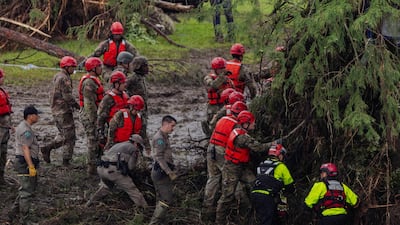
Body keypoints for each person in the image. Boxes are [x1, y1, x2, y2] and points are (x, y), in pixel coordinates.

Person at [215, 110, 279, 225]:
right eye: (253, 123)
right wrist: (274, 143)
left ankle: (247, 220)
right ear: (245, 124)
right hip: (232, 169)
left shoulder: (240, 132)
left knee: (255, 184)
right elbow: (259, 148)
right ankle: (219, 222)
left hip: (241, 167)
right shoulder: (242, 137)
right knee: (227, 197)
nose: (254, 125)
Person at [203, 100, 247, 220]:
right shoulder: (236, 125)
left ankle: (207, 211)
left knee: (212, 179)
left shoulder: (222, 119)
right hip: (220, 152)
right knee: (231, 179)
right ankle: (239, 207)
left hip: (210, 150)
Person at [85, 134, 148, 208]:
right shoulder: (134, 149)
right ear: (136, 143)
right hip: (112, 172)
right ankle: (145, 208)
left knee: (106, 187)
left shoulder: (118, 144)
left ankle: (90, 203)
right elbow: (131, 167)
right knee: (132, 190)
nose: (139, 148)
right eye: (139, 146)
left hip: (101, 169)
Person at [41, 56, 80, 166]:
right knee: (70, 136)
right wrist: (78, 106)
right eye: (73, 67)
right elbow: (67, 96)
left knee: (63, 134)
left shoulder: (57, 75)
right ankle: (65, 160)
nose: (74, 69)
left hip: (56, 110)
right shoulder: (64, 78)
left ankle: (48, 148)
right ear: (67, 67)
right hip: (63, 111)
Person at [10, 105, 41, 224]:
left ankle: (13, 213)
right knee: (26, 192)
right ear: (30, 116)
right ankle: (24, 220)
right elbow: (25, 148)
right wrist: (31, 166)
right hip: (24, 163)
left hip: (25, 162)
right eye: (36, 115)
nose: (38, 117)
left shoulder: (23, 126)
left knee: (25, 189)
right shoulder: (26, 131)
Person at [251, 144, 295, 225]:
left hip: (255, 195)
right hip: (267, 196)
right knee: (268, 220)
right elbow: (289, 184)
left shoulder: (262, 164)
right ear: (279, 154)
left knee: (268, 219)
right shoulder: (280, 166)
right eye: (282, 155)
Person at [149, 115, 178, 225]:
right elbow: (159, 157)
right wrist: (169, 172)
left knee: (160, 199)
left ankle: (161, 222)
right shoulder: (160, 138)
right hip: (161, 173)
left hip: (162, 171)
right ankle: (154, 223)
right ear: (165, 124)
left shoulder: (164, 136)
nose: (173, 128)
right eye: (172, 126)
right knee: (166, 200)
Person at [78, 57, 105, 175]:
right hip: (89, 116)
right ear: (93, 68)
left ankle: (98, 163)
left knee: (98, 139)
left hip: (95, 114)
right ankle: (92, 168)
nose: (102, 69)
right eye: (99, 66)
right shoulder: (89, 83)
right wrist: (95, 121)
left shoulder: (95, 80)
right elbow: (89, 105)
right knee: (93, 140)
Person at [96, 71, 129, 148]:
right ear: (116, 84)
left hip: (124, 130)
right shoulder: (108, 98)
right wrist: (101, 134)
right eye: (123, 83)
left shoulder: (126, 95)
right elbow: (101, 118)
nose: (125, 84)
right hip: (112, 131)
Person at [202, 57, 233, 136]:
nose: (223, 70)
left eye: (223, 68)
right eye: (220, 69)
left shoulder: (227, 80)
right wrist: (222, 77)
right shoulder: (208, 78)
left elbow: (233, 91)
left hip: (225, 106)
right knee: (212, 126)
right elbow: (213, 85)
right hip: (213, 108)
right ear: (215, 69)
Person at [126, 56, 151, 152]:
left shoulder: (142, 78)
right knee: (140, 130)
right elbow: (123, 88)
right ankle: (144, 150)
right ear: (138, 67)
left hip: (143, 109)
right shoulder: (133, 78)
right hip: (136, 109)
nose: (147, 68)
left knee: (143, 129)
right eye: (145, 66)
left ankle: (143, 151)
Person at [0, 68, 13, 185]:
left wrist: (10, 125)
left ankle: (1, 178)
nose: (3, 79)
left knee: (3, 153)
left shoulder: (1, 91)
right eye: (2, 77)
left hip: (4, 128)